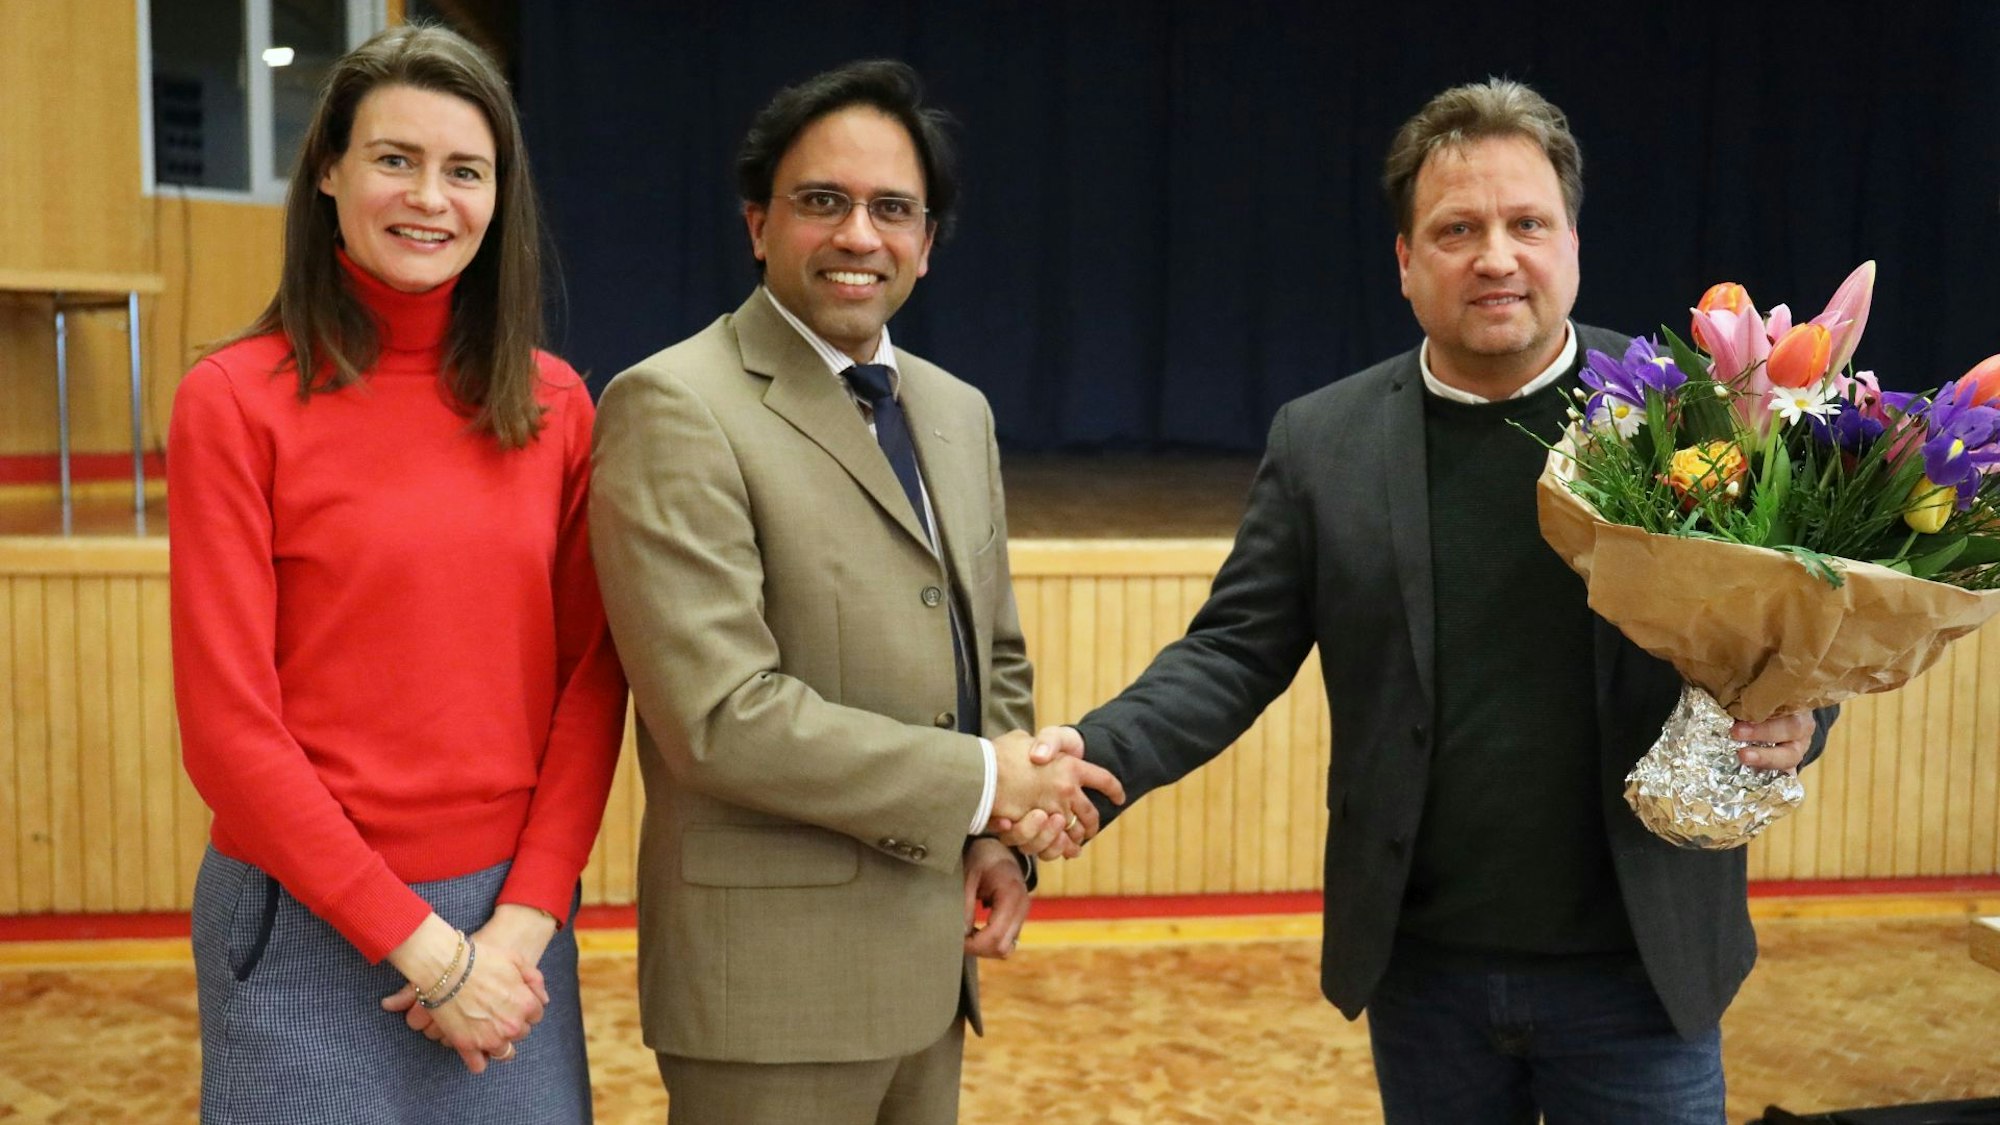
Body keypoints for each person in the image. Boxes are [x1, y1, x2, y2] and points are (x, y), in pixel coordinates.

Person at [1012, 79, 1835, 1124]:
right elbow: (1231, 653)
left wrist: (1800, 717)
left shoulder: (1698, 418)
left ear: (1572, 245)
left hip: (1641, 971)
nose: (1495, 256)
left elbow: (1796, 627)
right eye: (1456, 230)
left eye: (1526, 224)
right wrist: (1096, 755)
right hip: (1424, 976)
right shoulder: (1324, 442)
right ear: (1405, 262)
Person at [588, 59, 1122, 1125]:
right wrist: (985, 782)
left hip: (930, 966)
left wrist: (995, 838)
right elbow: (719, 718)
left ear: (928, 241)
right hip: (769, 995)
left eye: (893, 209)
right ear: (758, 225)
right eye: (822, 201)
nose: (858, 235)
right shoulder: (673, 405)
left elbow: (990, 654)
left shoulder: (956, 410)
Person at [167, 23, 627, 1124]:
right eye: (394, 159)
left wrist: (521, 923)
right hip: (302, 925)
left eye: (465, 170)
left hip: (512, 935)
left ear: (499, 198)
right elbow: (229, 731)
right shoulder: (231, 402)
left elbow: (592, 682)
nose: (429, 197)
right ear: (328, 170)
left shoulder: (558, 406)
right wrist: (425, 951)